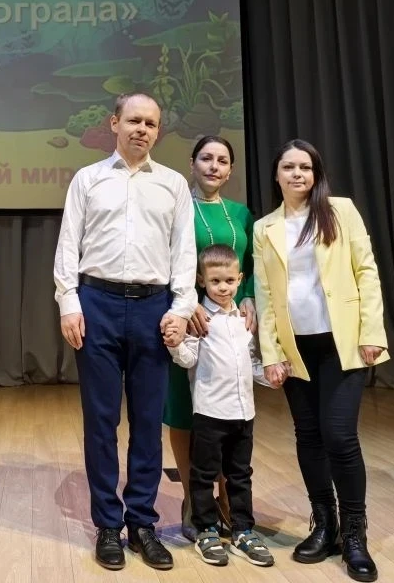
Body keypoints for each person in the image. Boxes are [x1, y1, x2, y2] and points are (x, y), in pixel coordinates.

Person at [54, 91, 198, 571]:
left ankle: (142, 524)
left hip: (153, 308)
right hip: (96, 303)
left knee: (148, 421)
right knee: (100, 422)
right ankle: (107, 525)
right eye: (134, 120)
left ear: (158, 131)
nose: (142, 129)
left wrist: (182, 309)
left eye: (151, 123)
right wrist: (69, 303)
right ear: (114, 123)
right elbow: (69, 244)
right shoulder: (88, 179)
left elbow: (184, 253)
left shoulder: (173, 185)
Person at [252, 139, 388, 583]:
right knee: (309, 436)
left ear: (316, 174)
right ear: (276, 174)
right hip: (296, 348)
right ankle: (324, 524)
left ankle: (354, 534)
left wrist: (371, 331)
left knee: (339, 436)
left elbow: (366, 270)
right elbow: (266, 295)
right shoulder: (265, 227)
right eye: (289, 167)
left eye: (306, 167)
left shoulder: (340, 211)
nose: (298, 174)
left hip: (341, 343)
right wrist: (271, 353)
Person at [163, 135, 256, 535]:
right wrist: (187, 304)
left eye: (222, 160)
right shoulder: (177, 208)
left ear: (230, 170)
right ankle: (193, 499)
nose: (214, 166)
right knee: (186, 411)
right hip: (190, 321)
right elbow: (165, 263)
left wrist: (248, 296)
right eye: (206, 158)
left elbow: (252, 265)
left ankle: (226, 498)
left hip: (230, 323)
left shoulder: (241, 213)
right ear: (192, 163)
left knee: (225, 413)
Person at [166, 243, 276, 568]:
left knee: (240, 475)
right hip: (210, 415)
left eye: (229, 280)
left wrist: (273, 374)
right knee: (202, 476)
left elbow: (251, 363)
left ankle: (242, 530)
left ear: (240, 279)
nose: (223, 287)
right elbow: (188, 359)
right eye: (215, 281)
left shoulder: (244, 320)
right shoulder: (199, 321)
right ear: (201, 281)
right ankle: (206, 530)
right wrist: (175, 344)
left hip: (244, 415)